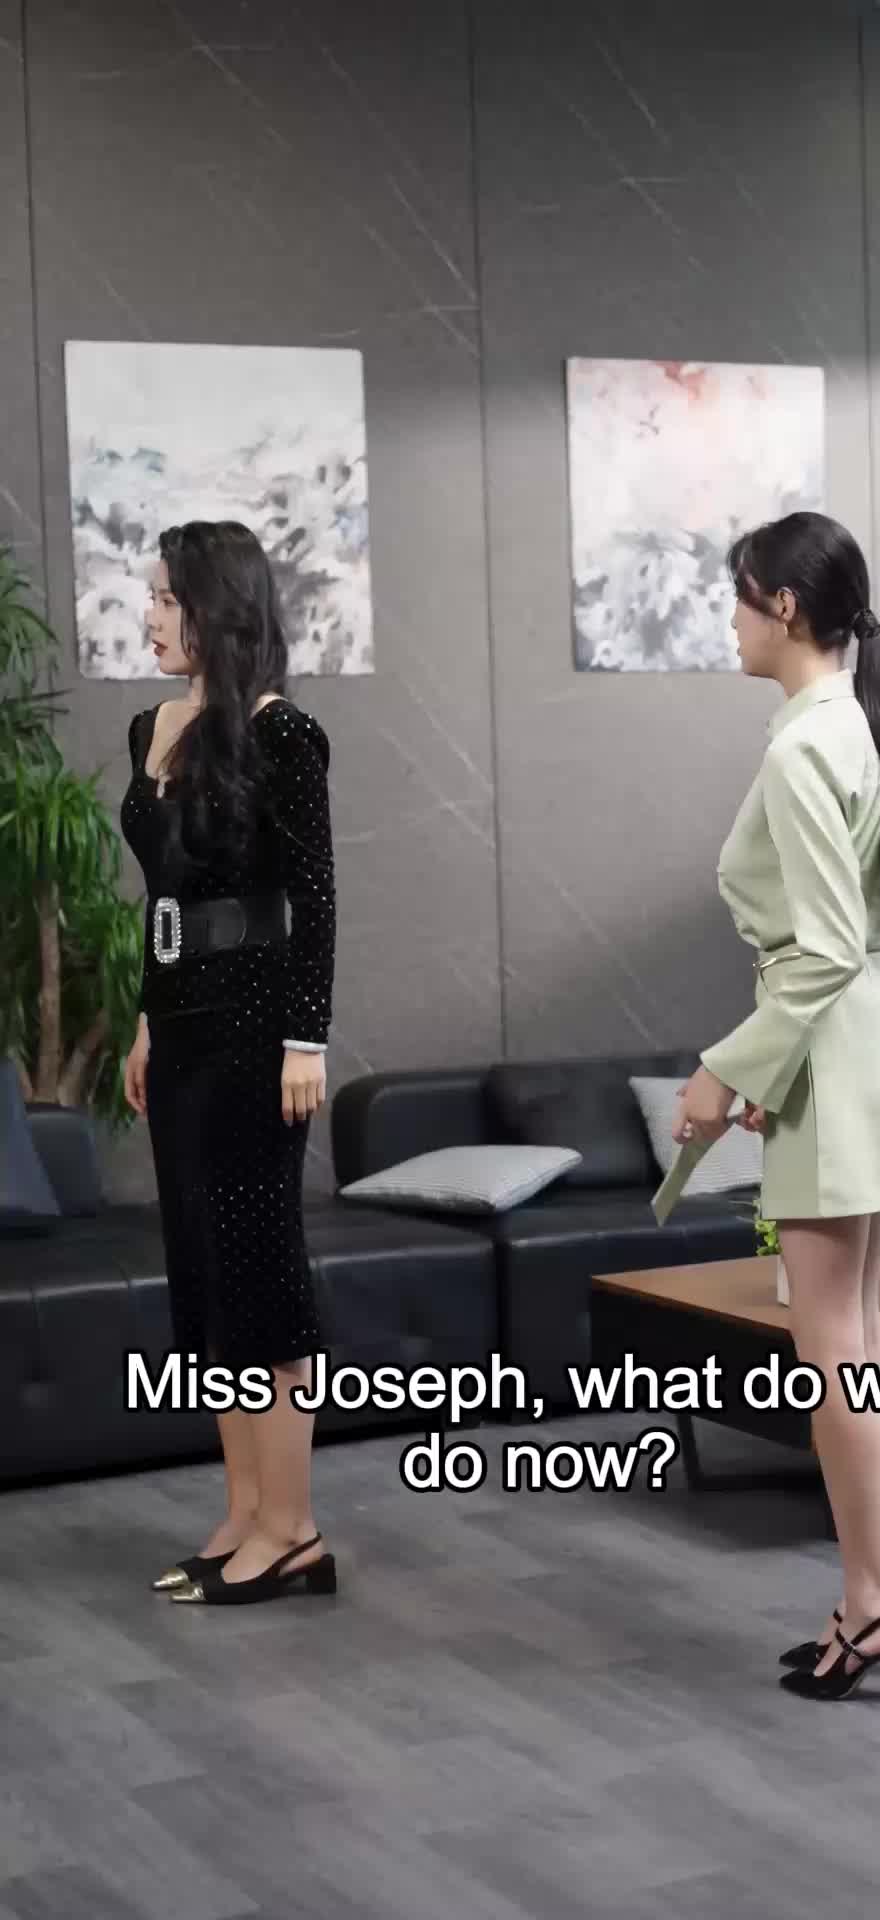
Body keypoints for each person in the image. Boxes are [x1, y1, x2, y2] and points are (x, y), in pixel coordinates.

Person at [672, 511, 880, 1701]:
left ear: (783, 606)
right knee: (862, 1340)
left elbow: (822, 947)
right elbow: (870, 940)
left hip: (834, 1054)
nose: (730, 622)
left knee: (833, 1343)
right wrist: (773, 1063)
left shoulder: (804, 747)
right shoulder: (858, 724)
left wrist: (732, 1068)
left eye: (739, 598)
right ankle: (869, 1595)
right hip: (870, 1044)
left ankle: (877, 1599)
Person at [121, 520, 337, 1606]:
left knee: (261, 1277)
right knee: (206, 1280)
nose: (151, 617)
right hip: (181, 1029)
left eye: (167, 599)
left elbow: (315, 899)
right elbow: (164, 900)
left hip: (259, 1038)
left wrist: (307, 1039)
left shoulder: (283, 734)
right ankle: (246, 1511)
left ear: (217, 609)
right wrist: (145, 1022)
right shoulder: (150, 727)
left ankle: (293, 1530)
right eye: (154, 597)